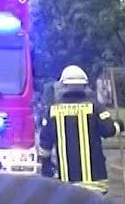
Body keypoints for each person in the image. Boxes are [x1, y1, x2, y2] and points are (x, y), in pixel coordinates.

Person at [38, 64, 118, 192]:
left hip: (68, 183)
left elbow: (45, 143)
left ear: (63, 86)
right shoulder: (95, 107)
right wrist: (118, 125)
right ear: (85, 86)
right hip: (96, 181)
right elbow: (109, 130)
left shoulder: (52, 111)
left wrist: (46, 164)